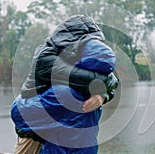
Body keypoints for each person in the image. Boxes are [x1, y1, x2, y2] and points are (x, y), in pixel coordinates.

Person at [10, 15, 120, 154]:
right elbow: (94, 79)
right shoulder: (46, 57)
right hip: (33, 132)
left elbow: (111, 77)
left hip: (61, 126)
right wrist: (103, 90)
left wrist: (103, 95)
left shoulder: (79, 58)